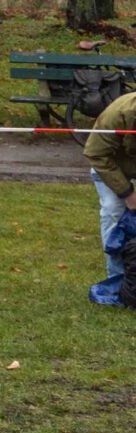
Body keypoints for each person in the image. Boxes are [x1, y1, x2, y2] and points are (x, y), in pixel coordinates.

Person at [81, 87, 136, 306]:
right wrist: (127, 193)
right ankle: (118, 279)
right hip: (109, 166)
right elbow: (96, 153)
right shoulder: (118, 114)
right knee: (113, 211)